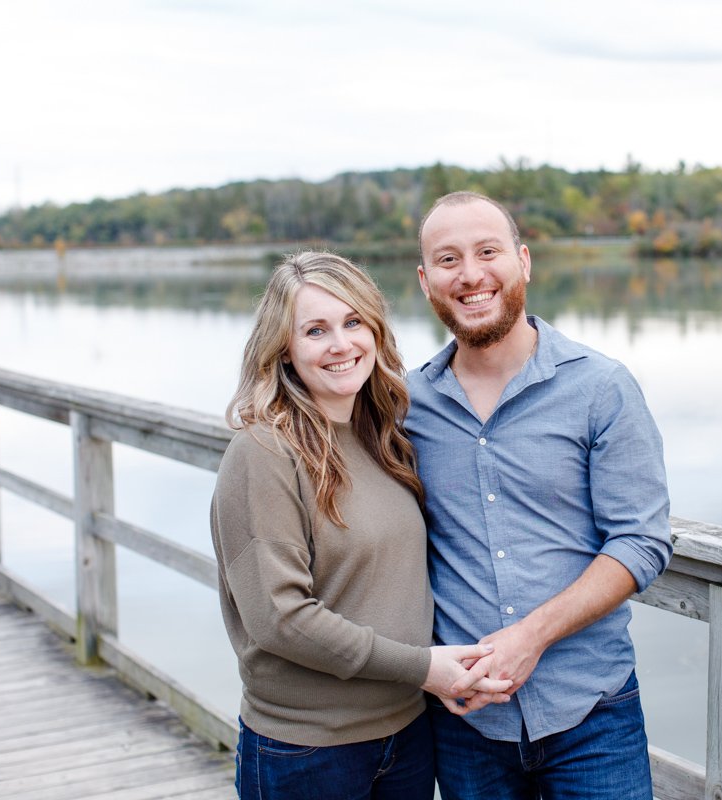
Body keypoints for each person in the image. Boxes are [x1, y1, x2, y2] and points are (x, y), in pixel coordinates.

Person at [211, 251, 511, 800]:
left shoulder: (384, 438)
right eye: (316, 330)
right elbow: (280, 618)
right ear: (283, 348)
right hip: (310, 751)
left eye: (353, 322)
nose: (341, 344)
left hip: (407, 735)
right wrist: (423, 668)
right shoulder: (264, 452)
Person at [405, 193, 674, 800]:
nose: (471, 275)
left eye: (488, 251)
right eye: (448, 259)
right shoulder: (404, 405)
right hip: (465, 720)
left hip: (592, 713)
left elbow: (641, 540)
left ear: (523, 262)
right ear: (426, 281)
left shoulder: (601, 388)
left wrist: (531, 637)